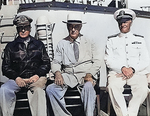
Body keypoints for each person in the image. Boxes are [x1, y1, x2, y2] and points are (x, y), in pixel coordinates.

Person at [46, 13, 101, 116]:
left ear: (80, 27)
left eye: (76, 26)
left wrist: (90, 74)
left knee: (89, 87)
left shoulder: (89, 41)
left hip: (85, 75)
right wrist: (57, 73)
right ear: (67, 27)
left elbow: (98, 61)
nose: (73, 29)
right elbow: (56, 62)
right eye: (70, 26)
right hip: (68, 76)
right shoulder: (62, 43)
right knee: (51, 89)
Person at [0, 15, 50, 116]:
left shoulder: (39, 44)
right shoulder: (10, 46)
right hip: (17, 79)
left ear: (30, 28)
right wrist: (16, 78)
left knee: (39, 92)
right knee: (4, 90)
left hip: (35, 79)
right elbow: (5, 67)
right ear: (17, 29)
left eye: (25, 27)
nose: (23, 30)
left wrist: (37, 75)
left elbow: (46, 64)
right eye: (20, 28)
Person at [104, 8, 150, 116]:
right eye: (120, 22)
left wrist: (132, 69)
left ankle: (131, 113)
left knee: (143, 89)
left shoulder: (140, 40)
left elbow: (145, 59)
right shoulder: (111, 40)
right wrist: (122, 68)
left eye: (125, 21)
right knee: (112, 87)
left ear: (131, 22)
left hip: (136, 73)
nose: (123, 24)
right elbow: (108, 59)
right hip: (118, 73)